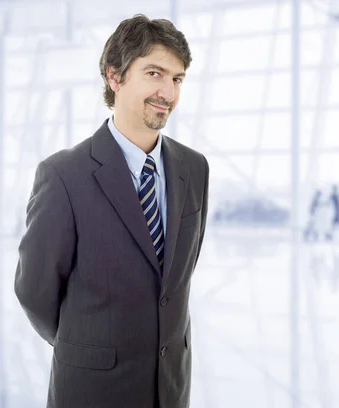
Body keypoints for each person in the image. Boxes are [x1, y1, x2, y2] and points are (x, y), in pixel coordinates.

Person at [13, 14, 208, 408]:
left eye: (177, 78)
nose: (167, 92)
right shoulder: (64, 175)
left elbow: (175, 281)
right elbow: (35, 291)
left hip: (170, 388)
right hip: (91, 389)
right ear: (114, 76)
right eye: (154, 73)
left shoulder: (194, 168)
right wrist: (88, 344)